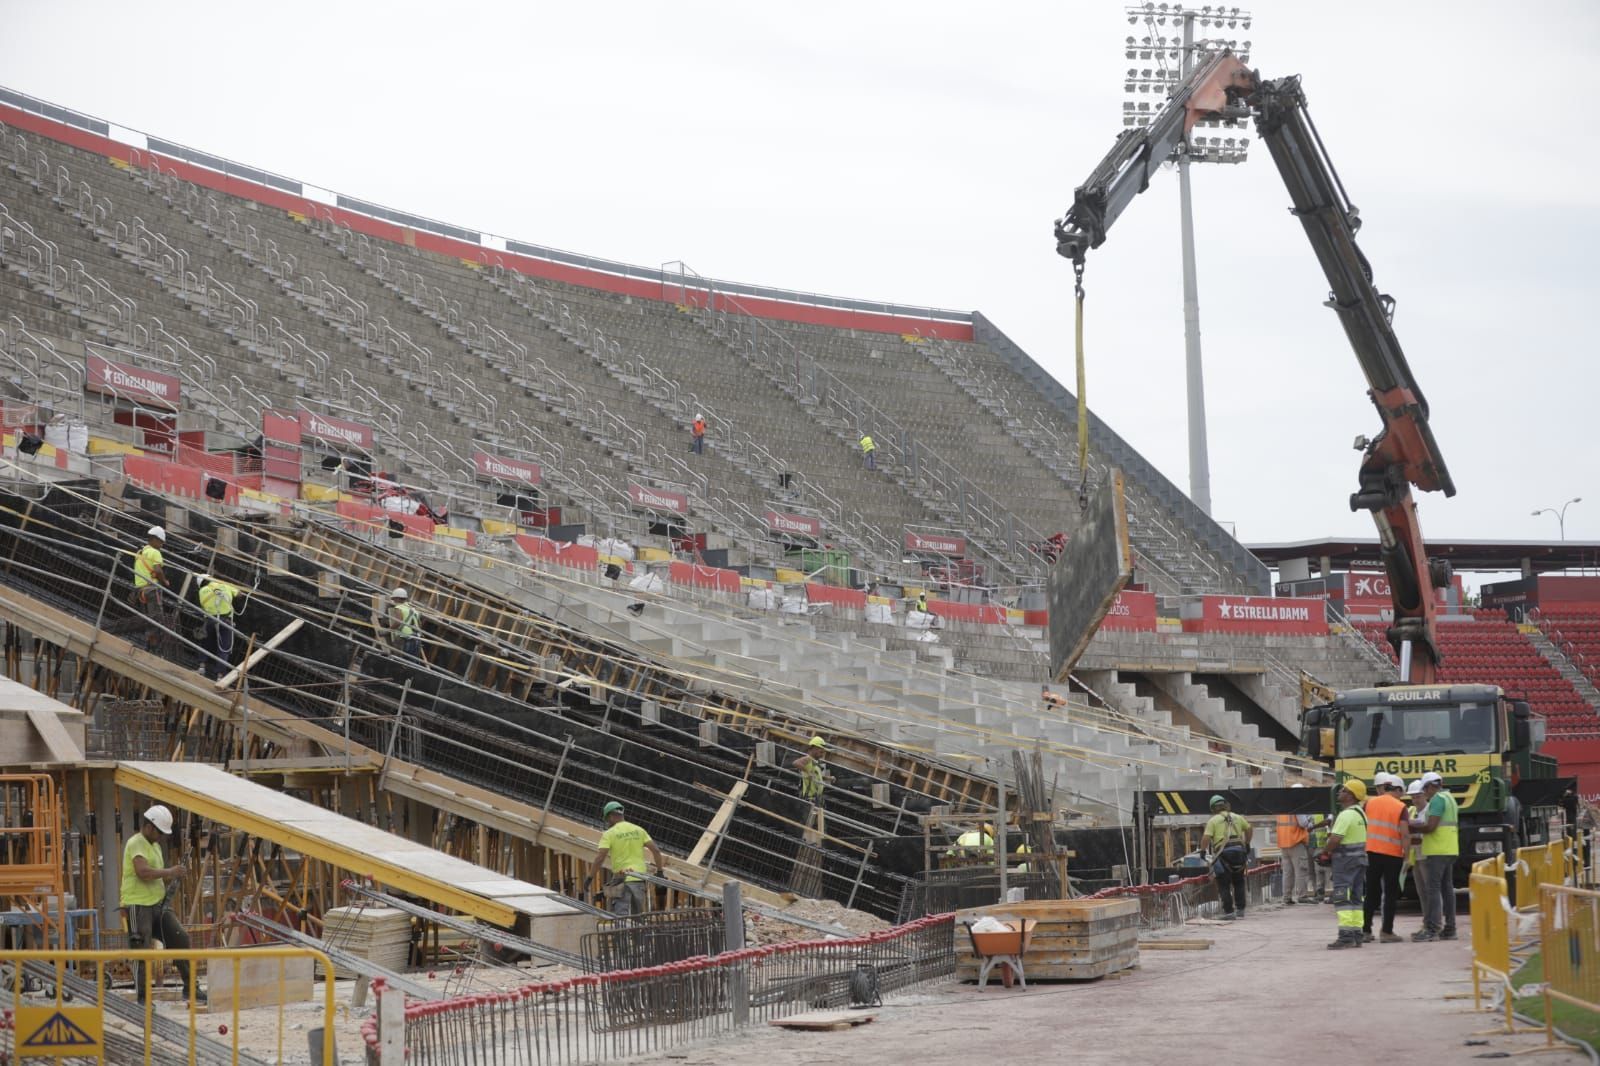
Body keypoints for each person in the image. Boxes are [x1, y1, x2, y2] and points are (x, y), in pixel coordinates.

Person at [122, 804, 202, 1004]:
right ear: (149, 826)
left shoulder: (155, 846)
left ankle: (191, 988)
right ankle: (143, 999)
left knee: (180, 938)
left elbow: (157, 876)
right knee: (141, 950)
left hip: (158, 905)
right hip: (138, 906)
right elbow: (143, 872)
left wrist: (174, 877)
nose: (161, 837)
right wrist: (170, 872)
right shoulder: (136, 843)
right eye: (159, 832)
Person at [1318, 779, 1369, 949]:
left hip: (1345, 862)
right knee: (1356, 898)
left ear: (1351, 795)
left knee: (1342, 898)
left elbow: (1335, 838)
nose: (1339, 793)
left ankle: (1346, 936)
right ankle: (1356, 934)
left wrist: (1325, 852)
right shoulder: (1361, 814)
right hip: (1360, 861)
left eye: (1343, 791)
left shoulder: (1346, 815)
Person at [1410, 771, 1459, 942]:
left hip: (1437, 849)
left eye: (1425, 788)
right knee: (1447, 889)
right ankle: (1450, 928)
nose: (1425, 792)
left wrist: (1412, 826)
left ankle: (1431, 929)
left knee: (1433, 889)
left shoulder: (1438, 799)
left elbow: (1431, 826)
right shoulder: (1450, 798)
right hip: (1450, 848)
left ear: (1431, 786)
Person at [592, 801, 663, 917]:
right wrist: (660, 872)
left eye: (607, 819)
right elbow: (656, 850)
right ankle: (638, 935)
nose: (607, 822)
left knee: (621, 918)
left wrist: (590, 877)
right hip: (639, 879)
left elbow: (600, 858)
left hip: (621, 879)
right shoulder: (639, 830)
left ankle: (621, 936)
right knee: (638, 917)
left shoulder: (609, 833)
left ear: (611, 816)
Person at [1362, 773, 1408, 943]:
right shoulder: (1400, 807)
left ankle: (1365, 931)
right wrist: (1408, 856)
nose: (1401, 796)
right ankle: (1387, 932)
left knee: (1371, 893)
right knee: (1390, 894)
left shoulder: (1369, 803)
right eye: (1401, 792)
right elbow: (1405, 835)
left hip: (1371, 852)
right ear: (1396, 789)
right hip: (1393, 855)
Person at [1201, 794, 1252, 920]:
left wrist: (1203, 851)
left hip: (1223, 854)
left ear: (1213, 808)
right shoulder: (1238, 817)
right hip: (1239, 852)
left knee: (1223, 884)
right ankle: (1240, 910)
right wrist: (1247, 843)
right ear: (1226, 805)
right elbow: (1249, 828)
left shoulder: (1213, 821)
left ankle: (1229, 912)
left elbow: (1206, 837)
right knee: (1239, 881)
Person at [131, 526, 170, 651]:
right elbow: (158, 570)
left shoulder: (141, 552)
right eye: (160, 542)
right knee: (156, 619)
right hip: (151, 590)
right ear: (154, 539)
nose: (161, 545)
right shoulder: (155, 552)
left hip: (140, 590)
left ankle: (147, 646)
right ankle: (153, 649)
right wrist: (165, 581)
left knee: (148, 619)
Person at [195, 574, 240, 681]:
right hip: (226, 621)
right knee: (224, 649)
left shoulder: (201, 592)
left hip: (210, 620)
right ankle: (220, 676)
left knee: (205, 643)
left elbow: (204, 607)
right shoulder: (225, 585)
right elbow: (239, 594)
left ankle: (201, 667)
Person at [1277, 783, 1314, 905]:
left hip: (1284, 844)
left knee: (1287, 873)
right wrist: (1310, 820)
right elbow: (1303, 823)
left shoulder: (1281, 806)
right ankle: (1302, 896)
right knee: (1301, 871)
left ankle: (1286, 897)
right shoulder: (1298, 805)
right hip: (1296, 842)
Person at [380, 587, 422, 659]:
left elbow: (398, 622)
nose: (393, 601)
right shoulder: (413, 609)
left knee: (397, 655)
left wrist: (387, 631)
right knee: (411, 660)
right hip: (416, 637)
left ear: (398, 598)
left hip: (405, 636)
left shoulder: (399, 607)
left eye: (394, 599)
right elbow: (419, 624)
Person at [793, 736, 828, 806]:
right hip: (809, 799)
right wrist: (808, 772)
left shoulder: (815, 762)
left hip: (816, 798)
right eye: (821, 752)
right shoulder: (808, 759)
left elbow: (816, 776)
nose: (822, 755)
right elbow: (796, 763)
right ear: (814, 749)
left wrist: (828, 778)